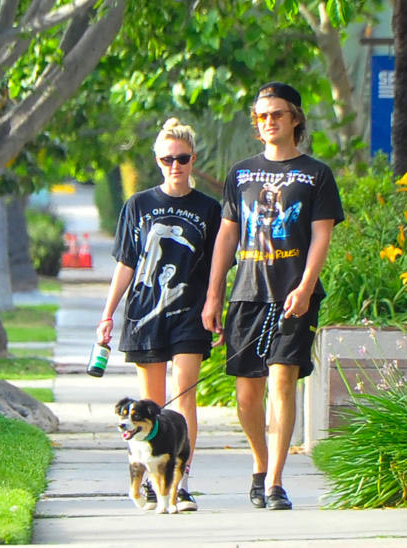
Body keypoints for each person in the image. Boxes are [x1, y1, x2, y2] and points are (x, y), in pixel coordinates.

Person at [201, 82, 344, 510]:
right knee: (248, 394)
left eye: (277, 114)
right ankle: (260, 464)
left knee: (282, 380)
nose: (269, 122)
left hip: (294, 295)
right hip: (247, 292)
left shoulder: (317, 174)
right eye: (262, 116)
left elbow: (322, 235)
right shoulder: (240, 173)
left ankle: (277, 482)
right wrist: (214, 295)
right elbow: (228, 234)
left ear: (295, 118)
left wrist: (304, 287)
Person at [97, 118, 221, 512]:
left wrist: (216, 305)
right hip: (145, 313)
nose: (175, 165)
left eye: (182, 158)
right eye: (167, 158)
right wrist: (107, 313)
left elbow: (219, 264)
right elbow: (126, 264)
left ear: (192, 159)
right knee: (151, 405)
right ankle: (152, 481)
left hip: (191, 311)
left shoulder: (209, 209)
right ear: (157, 160)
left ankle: (180, 483)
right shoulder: (138, 205)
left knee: (184, 400)